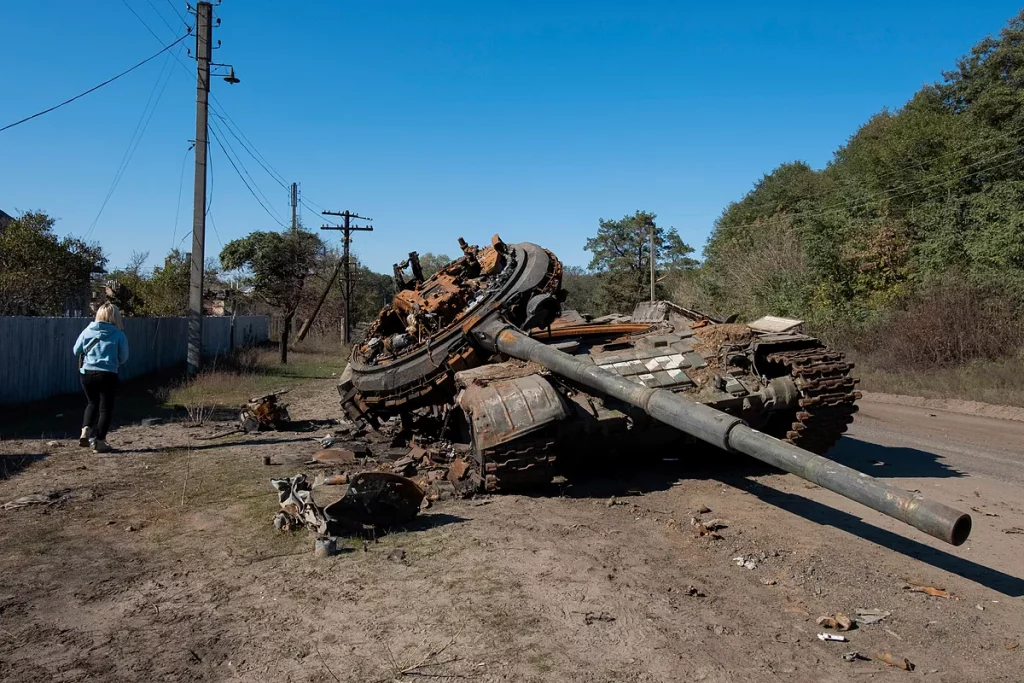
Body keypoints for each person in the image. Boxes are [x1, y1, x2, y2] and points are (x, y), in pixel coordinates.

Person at [73, 303, 129, 453]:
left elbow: (76, 350)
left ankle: (85, 430)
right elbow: (123, 357)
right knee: (105, 408)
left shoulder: (87, 330)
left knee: (92, 403)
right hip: (108, 374)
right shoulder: (118, 334)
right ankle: (99, 441)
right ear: (115, 316)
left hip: (87, 373)